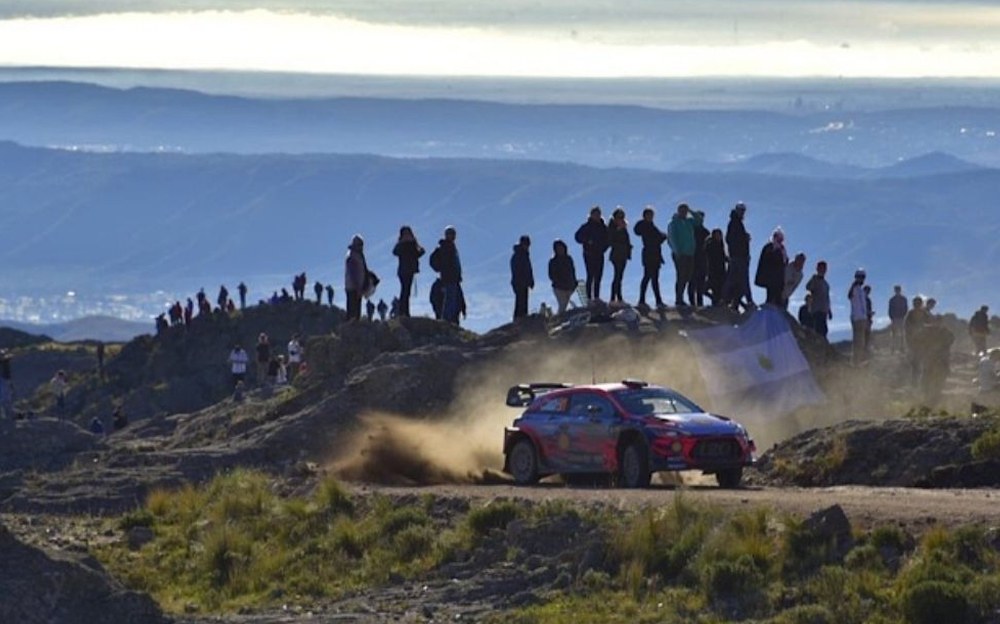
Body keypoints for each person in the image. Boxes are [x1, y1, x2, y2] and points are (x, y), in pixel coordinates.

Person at [633, 205, 667, 310]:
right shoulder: (644, 226)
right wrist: (661, 236)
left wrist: (663, 236)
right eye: (648, 215)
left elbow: (659, 237)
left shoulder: (652, 226)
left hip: (655, 255)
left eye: (651, 215)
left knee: (653, 278)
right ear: (644, 216)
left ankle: (653, 301)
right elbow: (637, 231)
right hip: (649, 254)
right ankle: (646, 301)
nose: (650, 217)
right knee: (648, 277)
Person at [666, 203, 701, 307]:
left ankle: (680, 298)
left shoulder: (689, 221)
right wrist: (677, 251)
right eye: (682, 210)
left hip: (690, 253)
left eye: (685, 210)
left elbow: (699, 220)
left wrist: (691, 211)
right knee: (681, 276)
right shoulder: (673, 223)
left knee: (688, 276)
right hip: (680, 254)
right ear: (678, 211)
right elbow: (672, 238)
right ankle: (679, 299)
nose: (684, 212)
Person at [722, 202, 754, 311]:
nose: (742, 212)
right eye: (741, 210)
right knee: (742, 279)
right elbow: (730, 239)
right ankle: (749, 301)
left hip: (737, 256)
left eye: (743, 210)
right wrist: (744, 239)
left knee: (734, 279)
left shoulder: (736, 223)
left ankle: (729, 301)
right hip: (739, 256)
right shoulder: (735, 223)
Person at [574, 206, 609, 303]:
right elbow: (577, 237)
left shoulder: (603, 227)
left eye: (598, 214)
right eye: (595, 214)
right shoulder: (586, 226)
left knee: (598, 275)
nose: (597, 216)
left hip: (599, 254)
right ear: (591, 215)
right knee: (590, 275)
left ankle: (596, 297)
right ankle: (589, 298)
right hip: (589, 253)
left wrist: (603, 248)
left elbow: (608, 239)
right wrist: (587, 240)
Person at [430, 226, 464, 324]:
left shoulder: (451, 247)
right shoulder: (446, 247)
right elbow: (448, 263)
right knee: (449, 299)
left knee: (452, 299)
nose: (452, 236)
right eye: (450, 234)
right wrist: (444, 269)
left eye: (453, 234)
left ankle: (449, 319)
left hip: (453, 277)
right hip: (448, 277)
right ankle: (446, 320)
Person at [393, 225, 425, 318]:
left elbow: (417, 254)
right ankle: (403, 312)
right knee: (405, 291)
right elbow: (395, 252)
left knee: (406, 291)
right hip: (404, 271)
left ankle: (404, 312)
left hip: (408, 270)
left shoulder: (411, 244)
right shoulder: (404, 245)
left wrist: (421, 250)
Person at [754, 228, 787, 307]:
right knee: (771, 298)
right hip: (771, 280)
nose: (780, 241)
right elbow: (768, 261)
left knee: (777, 300)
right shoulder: (769, 247)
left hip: (778, 280)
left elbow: (784, 263)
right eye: (779, 238)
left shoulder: (782, 250)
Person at [606, 208, 632, 306]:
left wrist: (628, 250)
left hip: (623, 255)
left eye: (622, 217)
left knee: (620, 276)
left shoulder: (624, 228)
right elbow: (610, 241)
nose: (620, 219)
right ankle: (613, 298)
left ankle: (619, 298)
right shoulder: (612, 228)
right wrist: (618, 230)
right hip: (616, 255)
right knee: (617, 276)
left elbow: (627, 241)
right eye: (619, 217)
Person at [548, 239, 578, 315]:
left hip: (569, 286)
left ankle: (560, 318)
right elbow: (551, 275)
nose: (560, 249)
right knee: (562, 305)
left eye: (561, 247)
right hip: (559, 287)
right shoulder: (553, 261)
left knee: (564, 305)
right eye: (558, 248)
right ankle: (558, 318)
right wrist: (558, 281)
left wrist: (574, 282)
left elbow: (573, 271)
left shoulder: (568, 259)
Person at [510, 234, 535, 320]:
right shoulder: (518, 255)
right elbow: (517, 270)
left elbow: (529, 269)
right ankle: (518, 319)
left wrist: (531, 280)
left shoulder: (525, 255)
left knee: (524, 301)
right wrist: (522, 280)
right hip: (519, 282)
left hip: (524, 282)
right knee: (520, 301)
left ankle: (523, 317)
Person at [344, 234, 369, 321]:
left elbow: (363, 270)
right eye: (360, 244)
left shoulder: (360, 256)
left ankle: (355, 325)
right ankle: (350, 326)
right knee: (352, 312)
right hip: (352, 287)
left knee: (357, 311)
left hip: (358, 287)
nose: (361, 246)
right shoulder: (352, 256)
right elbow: (353, 273)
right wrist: (357, 287)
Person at [805, 261, 832, 339]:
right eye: (821, 268)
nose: (823, 270)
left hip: (824, 310)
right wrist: (814, 279)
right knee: (818, 330)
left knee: (824, 330)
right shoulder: (815, 279)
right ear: (817, 269)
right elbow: (808, 287)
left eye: (824, 268)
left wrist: (829, 310)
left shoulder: (826, 284)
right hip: (816, 309)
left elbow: (827, 298)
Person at [689, 210, 710, 307]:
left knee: (701, 281)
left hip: (703, 258)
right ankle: (692, 303)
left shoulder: (706, 232)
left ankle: (700, 303)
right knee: (692, 280)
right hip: (693, 257)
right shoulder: (690, 230)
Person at [848, 269, 868, 366]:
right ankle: (856, 361)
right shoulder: (855, 289)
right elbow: (851, 298)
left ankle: (858, 360)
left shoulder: (860, 290)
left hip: (861, 317)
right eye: (860, 277)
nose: (862, 279)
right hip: (857, 318)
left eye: (863, 277)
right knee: (858, 341)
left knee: (860, 340)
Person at [704, 228, 728, 306]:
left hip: (721, 271)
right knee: (712, 288)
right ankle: (715, 302)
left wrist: (727, 259)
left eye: (719, 235)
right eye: (717, 235)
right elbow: (711, 257)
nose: (719, 237)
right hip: (713, 271)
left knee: (720, 290)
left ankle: (717, 303)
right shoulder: (710, 245)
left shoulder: (720, 245)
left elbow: (722, 257)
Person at [888, 285, 908, 353]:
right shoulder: (892, 300)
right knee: (894, 334)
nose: (897, 291)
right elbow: (890, 309)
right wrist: (892, 317)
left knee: (902, 334)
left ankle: (902, 348)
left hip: (901, 318)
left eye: (898, 290)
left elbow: (906, 308)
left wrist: (904, 315)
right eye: (896, 290)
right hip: (895, 318)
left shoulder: (903, 299)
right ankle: (893, 348)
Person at [0, 350, 12, 419]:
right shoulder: (4, 361)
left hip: (5, 378)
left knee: (6, 397)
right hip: (3, 378)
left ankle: (7, 415)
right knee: (5, 397)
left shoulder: (5, 361)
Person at [863, 284, 874, 355]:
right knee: (864, 335)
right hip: (864, 319)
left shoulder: (868, 300)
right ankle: (864, 350)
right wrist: (869, 313)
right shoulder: (863, 299)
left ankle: (866, 350)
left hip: (868, 319)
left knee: (867, 335)